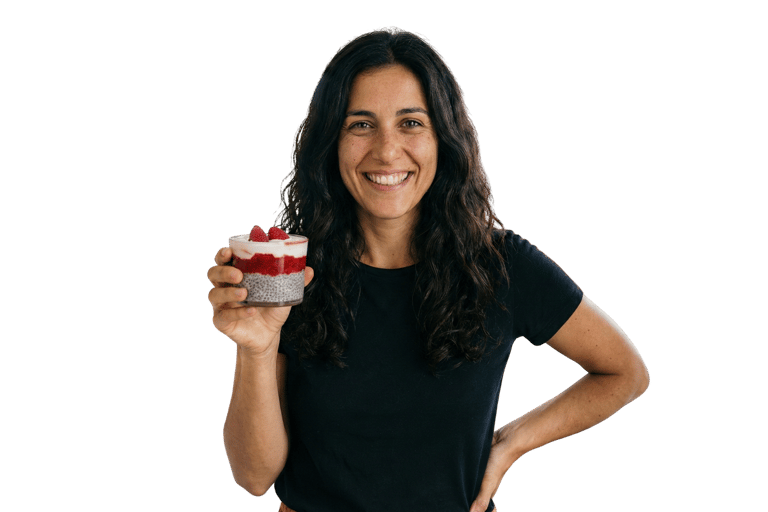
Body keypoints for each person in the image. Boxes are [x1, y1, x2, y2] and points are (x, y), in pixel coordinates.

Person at [207, 26, 650, 512]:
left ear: (444, 137)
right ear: (331, 142)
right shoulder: (288, 271)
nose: (386, 150)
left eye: (411, 123)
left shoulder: (501, 267)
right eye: (361, 124)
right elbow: (254, 477)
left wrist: (511, 443)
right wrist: (257, 347)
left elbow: (624, 372)